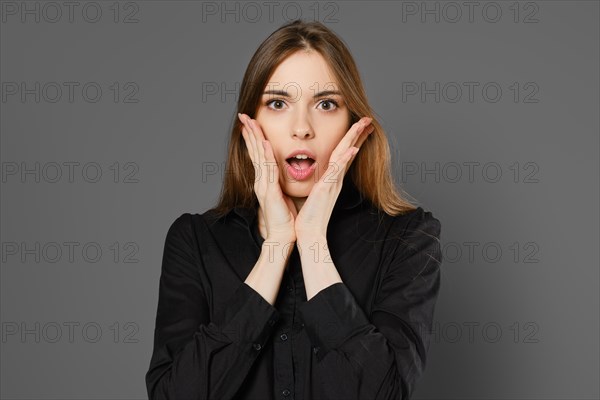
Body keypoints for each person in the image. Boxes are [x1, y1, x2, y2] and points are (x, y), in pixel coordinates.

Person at [145, 19, 442, 400]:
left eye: (326, 104)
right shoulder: (195, 241)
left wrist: (313, 241)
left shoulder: (408, 238)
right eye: (278, 103)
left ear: (354, 123)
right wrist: (277, 246)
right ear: (250, 124)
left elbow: (383, 394)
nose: (302, 128)